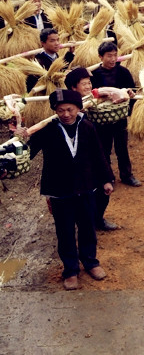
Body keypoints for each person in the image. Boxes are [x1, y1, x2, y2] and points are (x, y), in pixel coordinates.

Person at [19, 89, 114, 290]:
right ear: (55, 111)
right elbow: (29, 152)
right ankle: (70, 270)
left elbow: (99, 155)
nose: (66, 114)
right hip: (59, 191)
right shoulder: (48, 130)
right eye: (60, 110)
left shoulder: (87, 127)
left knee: (87, 227)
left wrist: (106, 179)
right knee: (65, 232)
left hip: (86, 187)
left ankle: (91, 262)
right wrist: (19, 141)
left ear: (78, 108)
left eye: (70, 109)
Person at [65, 66, 119, 231]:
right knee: (85, 193)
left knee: (105, 187)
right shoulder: (69, 109)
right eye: (84, 84)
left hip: (99, 153)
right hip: (81, 159)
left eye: (89, 83)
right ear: (73, 87)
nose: (88, 86)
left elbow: (115, 95)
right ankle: (86, 223)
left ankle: (98, 219)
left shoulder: (95, 97)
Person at [90, 41, 141, 187]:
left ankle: (127, 175)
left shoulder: (123, 72)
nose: (113, 59)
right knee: (104, 149)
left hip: (119, 117)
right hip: (101, 119)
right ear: (100, 57)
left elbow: (132, 90)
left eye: (115, 55)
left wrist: (131, 94)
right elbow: (90, 95)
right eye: (109, 56)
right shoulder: (94, 75)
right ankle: (107, 178)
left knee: (122, 148)